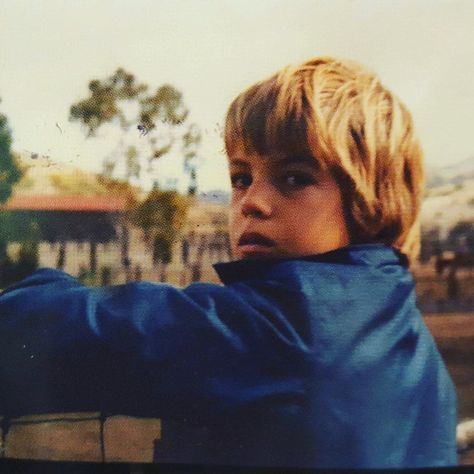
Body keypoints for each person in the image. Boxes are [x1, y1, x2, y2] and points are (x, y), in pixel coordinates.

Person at [0, 56, 457, 469]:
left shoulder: (291, 327)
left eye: (294, 179)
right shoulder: (408, 337)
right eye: (241, 177)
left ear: (369, 202)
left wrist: (28, 295)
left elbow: (81, 329)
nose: (251, 202)